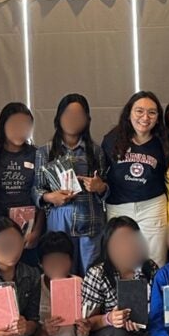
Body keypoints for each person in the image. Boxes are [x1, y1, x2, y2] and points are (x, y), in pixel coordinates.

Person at [81, 216, 158, 336]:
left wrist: (146, 317)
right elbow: (85, 323)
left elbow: (161, 307)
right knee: (118, 335)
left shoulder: (149, 268)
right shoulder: (98, 273)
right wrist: (109, 319)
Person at [33, 94, 108, 275]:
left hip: (90, 222)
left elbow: (107, 189)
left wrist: (100, 187)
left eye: (79, 115)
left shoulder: (96, 151)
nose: (72, 120)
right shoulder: (45, 151)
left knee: (91, 275)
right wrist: (50, 197)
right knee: (61, 274)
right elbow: (36, 188)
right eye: (67, 114)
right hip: (59, 223)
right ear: (58, 118)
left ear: (87, 120)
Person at [34, 231, 104, 336]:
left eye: (62, 260)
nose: (57, 266)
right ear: (41, 264)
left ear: (71, 262)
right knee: (62, 333)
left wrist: (83, 333)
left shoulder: (80, 285)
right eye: (51, 261)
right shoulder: (34, 286)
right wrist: (44, 332)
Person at [103, 91, 169, 264]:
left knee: (154, 259)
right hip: (118, 206)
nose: (145, 117)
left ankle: (153, 291)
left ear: (157, 117)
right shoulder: (112, 139)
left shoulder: (164, 142)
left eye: (152, 112)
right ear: (129, 113)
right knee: (121, 259)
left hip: (152, 206)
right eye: (139, 111)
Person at [0, 102, 43, 265]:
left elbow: (42, 194)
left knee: (28, 278)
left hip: (29, 232)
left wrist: (37, 231)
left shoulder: (37, 154)